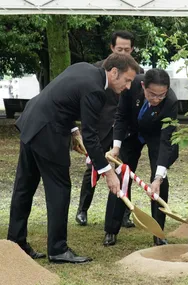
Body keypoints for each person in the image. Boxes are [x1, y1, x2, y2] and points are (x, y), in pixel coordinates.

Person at [7, 53, 140, 263]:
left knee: (24, 187)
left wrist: (73, 131)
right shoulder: (96, 90)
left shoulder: (83, 68)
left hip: (31, 122)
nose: (128, 86)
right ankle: (58, 249)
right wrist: (107, 172)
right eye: (128, 80)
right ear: (114, 72)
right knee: (59, 189)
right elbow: (92, 135)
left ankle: (15, 243)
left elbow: (62, 99)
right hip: (47, 133)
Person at [103, 68, 179, 246]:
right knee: (121, 176)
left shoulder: (171, 102)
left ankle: (158, 232)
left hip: (157, 136)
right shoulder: (131, 85)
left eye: (161, 95)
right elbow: (121, 117)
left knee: (160, 181)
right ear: (143, 86)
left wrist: (158, 178)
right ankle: (111, 229)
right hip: (131, 133)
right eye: (152, 94)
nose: (156, 99)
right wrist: (116, 147)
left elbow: (166, 140)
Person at [76, 30, 143, 228]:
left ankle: (122, 214)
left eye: (127, 49)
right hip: (101, 127)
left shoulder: (138, 73)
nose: (124, 53)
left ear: (132, 49)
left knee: (125, 171)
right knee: (94, 168)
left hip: (125, 132)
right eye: (119, 49)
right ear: (112, 48)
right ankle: (82, 209)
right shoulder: (98, 70)